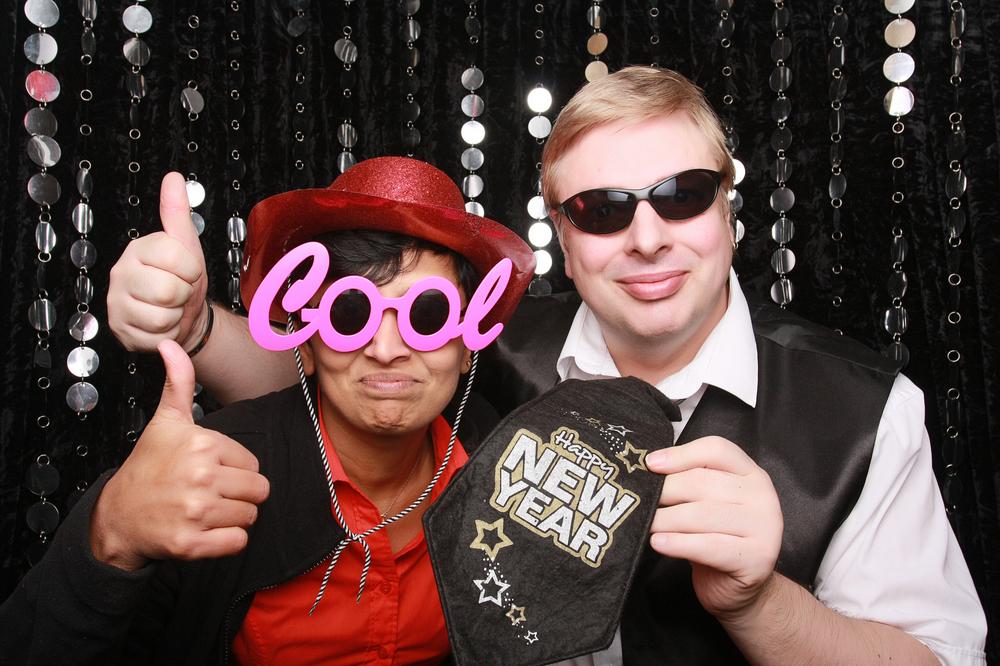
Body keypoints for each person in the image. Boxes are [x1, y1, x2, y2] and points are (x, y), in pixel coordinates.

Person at [85, 68, 986, 664]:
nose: (646, 235)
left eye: (681, 194)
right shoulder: (483, 352)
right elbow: (339, 380)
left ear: (729, 208)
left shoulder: (862, 412)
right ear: (562, 236)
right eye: (600, 209)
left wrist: (757, 604)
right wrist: (194, 325)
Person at [0, 157, 535, 664]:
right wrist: (108, 534)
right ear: (304, 341)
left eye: (429, 312)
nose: (386, 347)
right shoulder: (216, 468)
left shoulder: (513, 465)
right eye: (352, 313)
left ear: (471, 342)